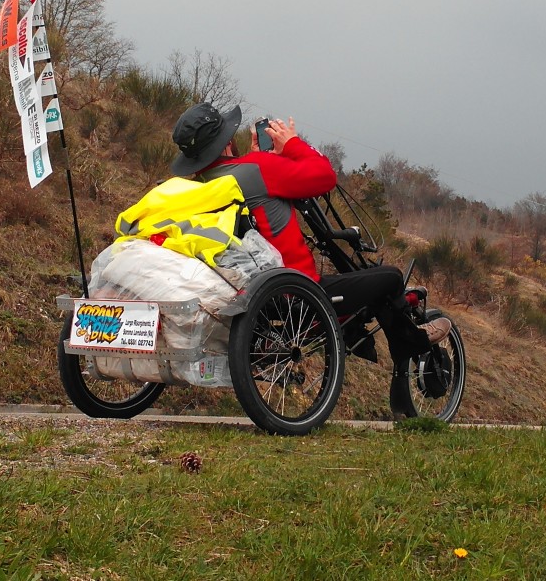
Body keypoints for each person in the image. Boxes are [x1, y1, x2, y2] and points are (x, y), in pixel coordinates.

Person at [170, 103, 451, 415]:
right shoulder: (256, 168)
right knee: (391, 278)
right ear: (225, 143)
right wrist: (290, 144)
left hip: (245, 294)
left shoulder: (195, 188)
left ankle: (403, 348)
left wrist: (259, 159)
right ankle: (409, 343)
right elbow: (323, 177)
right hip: (297, 293)